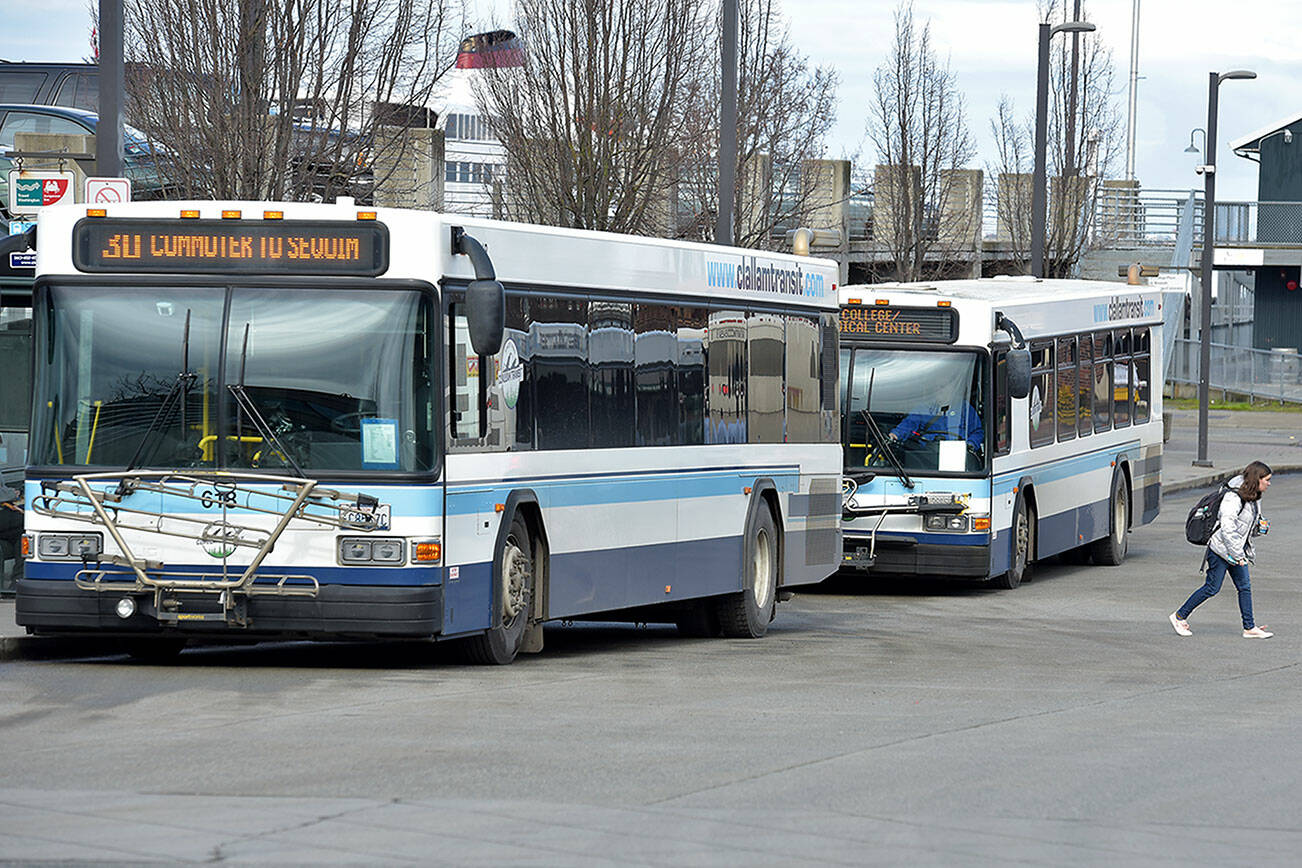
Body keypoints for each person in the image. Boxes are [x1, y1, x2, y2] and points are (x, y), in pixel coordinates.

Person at [1170, 461, 1274, 639]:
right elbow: (1227, 527)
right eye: (1267, 480)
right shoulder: (1233, 497)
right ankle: (1179, 616)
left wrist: (1259, 528)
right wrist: (1238, 555)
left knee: (1244, 587)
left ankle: (1249, 627)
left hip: (1235, 550)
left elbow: (1245, 526)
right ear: (1257, 479)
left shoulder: (1255, 497)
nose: (1269, 483)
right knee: (1212, 588)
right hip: (1220, 550)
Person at [888, 401, 983, 454]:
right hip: (927, 455)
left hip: (958, 455)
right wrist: (895, 434)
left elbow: (977, 432)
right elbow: (909, 424)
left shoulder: (964, 408)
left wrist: (970, 445)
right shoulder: (924, 408)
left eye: (945, 386)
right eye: (939, 386)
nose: (942, 389)